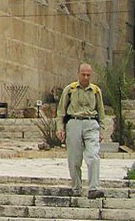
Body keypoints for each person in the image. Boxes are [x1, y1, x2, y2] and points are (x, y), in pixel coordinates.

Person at [55, 62, 106, 199]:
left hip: (91, 123)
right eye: (83, 74)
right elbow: (61, 110)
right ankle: (76, 187)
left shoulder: (96, 91)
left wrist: (102, 130)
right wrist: (60, 127)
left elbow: (101, 112)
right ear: (78, 74)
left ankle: (93, 188)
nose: (86, 77)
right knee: (74, 158)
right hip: (74, 122)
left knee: (93, 156)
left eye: (88, 75)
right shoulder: (70, 89)